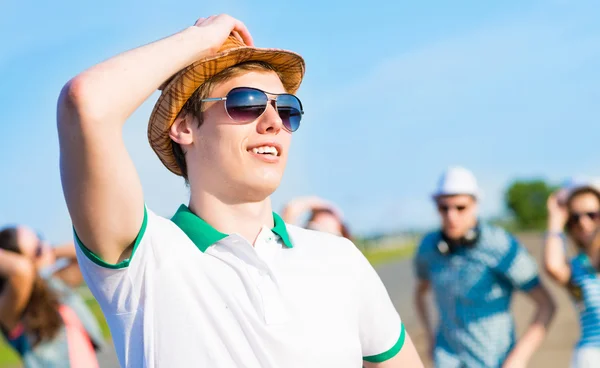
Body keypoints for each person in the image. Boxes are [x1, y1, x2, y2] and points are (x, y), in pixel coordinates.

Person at [56, 14, 423, 367]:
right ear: (184, 127)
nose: (273, 122)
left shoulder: (340, 259)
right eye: (246, 104)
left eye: (287, 109)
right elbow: (86, 103)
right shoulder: (143, 259)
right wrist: (198, 41)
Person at [413, 166, 555, 367]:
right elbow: (419, 293)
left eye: (460, 208)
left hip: (493, 360)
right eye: (444, 208)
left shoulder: (501, 246)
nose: (451, 216)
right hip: (446, 360)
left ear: (475, 205)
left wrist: (518, 360)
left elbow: (546, 304)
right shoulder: (428, 247)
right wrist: (430, 336)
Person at [0, 226, 105, 368]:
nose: (44, 247)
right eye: (37, 250)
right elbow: (21, 271)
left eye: (40, 237)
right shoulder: (12, 311)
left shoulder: (56, 284)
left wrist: (51, 251)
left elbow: (96, 251)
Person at [544, 178, 600, 367]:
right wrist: (555, 219)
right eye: (575, 218)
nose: (584, 223)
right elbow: (553, 266)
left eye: (592, 215)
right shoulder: (577, 267)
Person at [281, 196, 352, 239]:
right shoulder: (296, 249)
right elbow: (291, 209)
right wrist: (325, 205)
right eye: (315, 229)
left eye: (332, 235)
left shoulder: (348, 261)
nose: (322, 237)